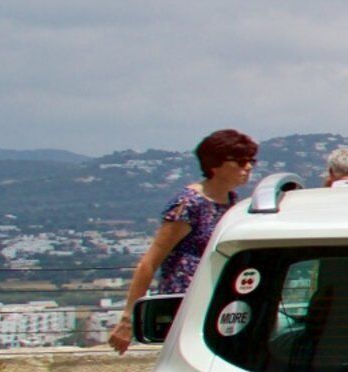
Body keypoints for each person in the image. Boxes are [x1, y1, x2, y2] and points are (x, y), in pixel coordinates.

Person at [110, 129, 257, 354]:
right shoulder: (189, 204)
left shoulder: (231, 202)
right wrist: (128, 318)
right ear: (215, 165)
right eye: (239, 161)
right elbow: (150, 261)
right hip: (185, 305)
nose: (247, 167)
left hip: (217, 304)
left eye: (251, 161)